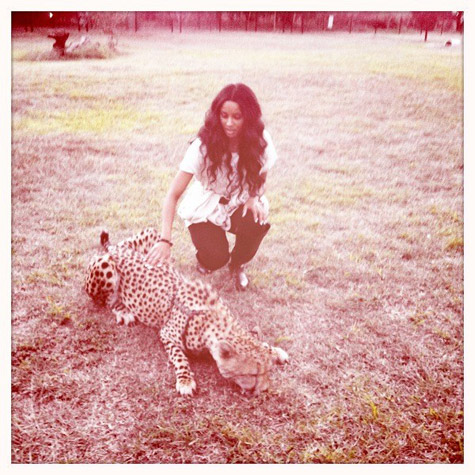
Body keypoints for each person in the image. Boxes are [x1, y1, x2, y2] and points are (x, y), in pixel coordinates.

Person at [146, 83, 277, 291]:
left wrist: (253, 198)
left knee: (255, 222)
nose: (229, 123)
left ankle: (237, 264)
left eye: (237, 117)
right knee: (216, 258)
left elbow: (262, 173)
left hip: (239, 200)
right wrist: (164, 240)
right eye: (224, 115)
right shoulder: (203, 146)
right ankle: (207, 259)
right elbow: (172, 195)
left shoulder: (259, 140)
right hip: (206, 205)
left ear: (249, 117)